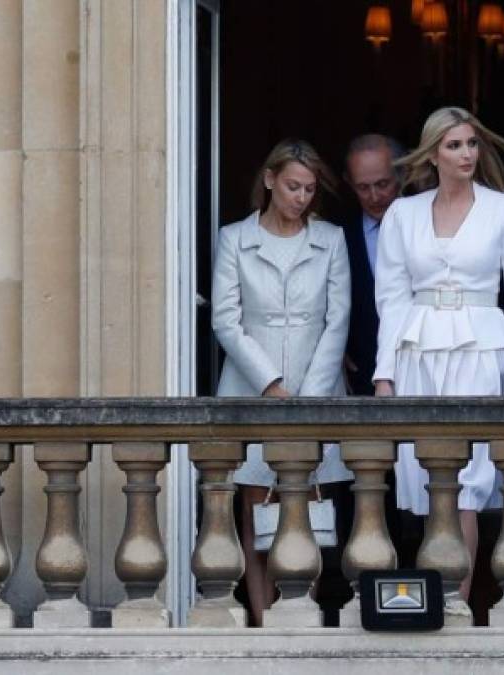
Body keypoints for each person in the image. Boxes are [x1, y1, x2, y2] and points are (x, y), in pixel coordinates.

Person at [373, 107, 504, 603]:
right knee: (426, 480)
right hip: (416, 350)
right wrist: (384, 373)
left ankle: (456, 604)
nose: (467, 154)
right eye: (454, 145)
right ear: (433, 154)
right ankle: (433, 599)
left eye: (472, 144)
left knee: (466, 484)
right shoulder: (402, 214)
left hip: (480, 348)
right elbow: (390, 298)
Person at [212, 138, 352, 626]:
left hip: (319, 386)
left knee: (308, 513)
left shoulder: (331, 238)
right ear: (270, 180)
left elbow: (339, 320)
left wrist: (311, 397)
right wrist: (269, 382)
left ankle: (301, 614)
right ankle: (263, 619)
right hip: (250, 388)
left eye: (310, 189)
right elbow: (226, 321)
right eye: (293, 186)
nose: (301, 198)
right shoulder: (235, 238)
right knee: (256, 513)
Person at [342, 134, 404, 396]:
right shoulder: (339, 235)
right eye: (363, 187)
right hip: (360, 374)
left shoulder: (429, 224)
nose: (374, 196)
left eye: (383, 184)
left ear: (401, 174)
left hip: (421, 367)